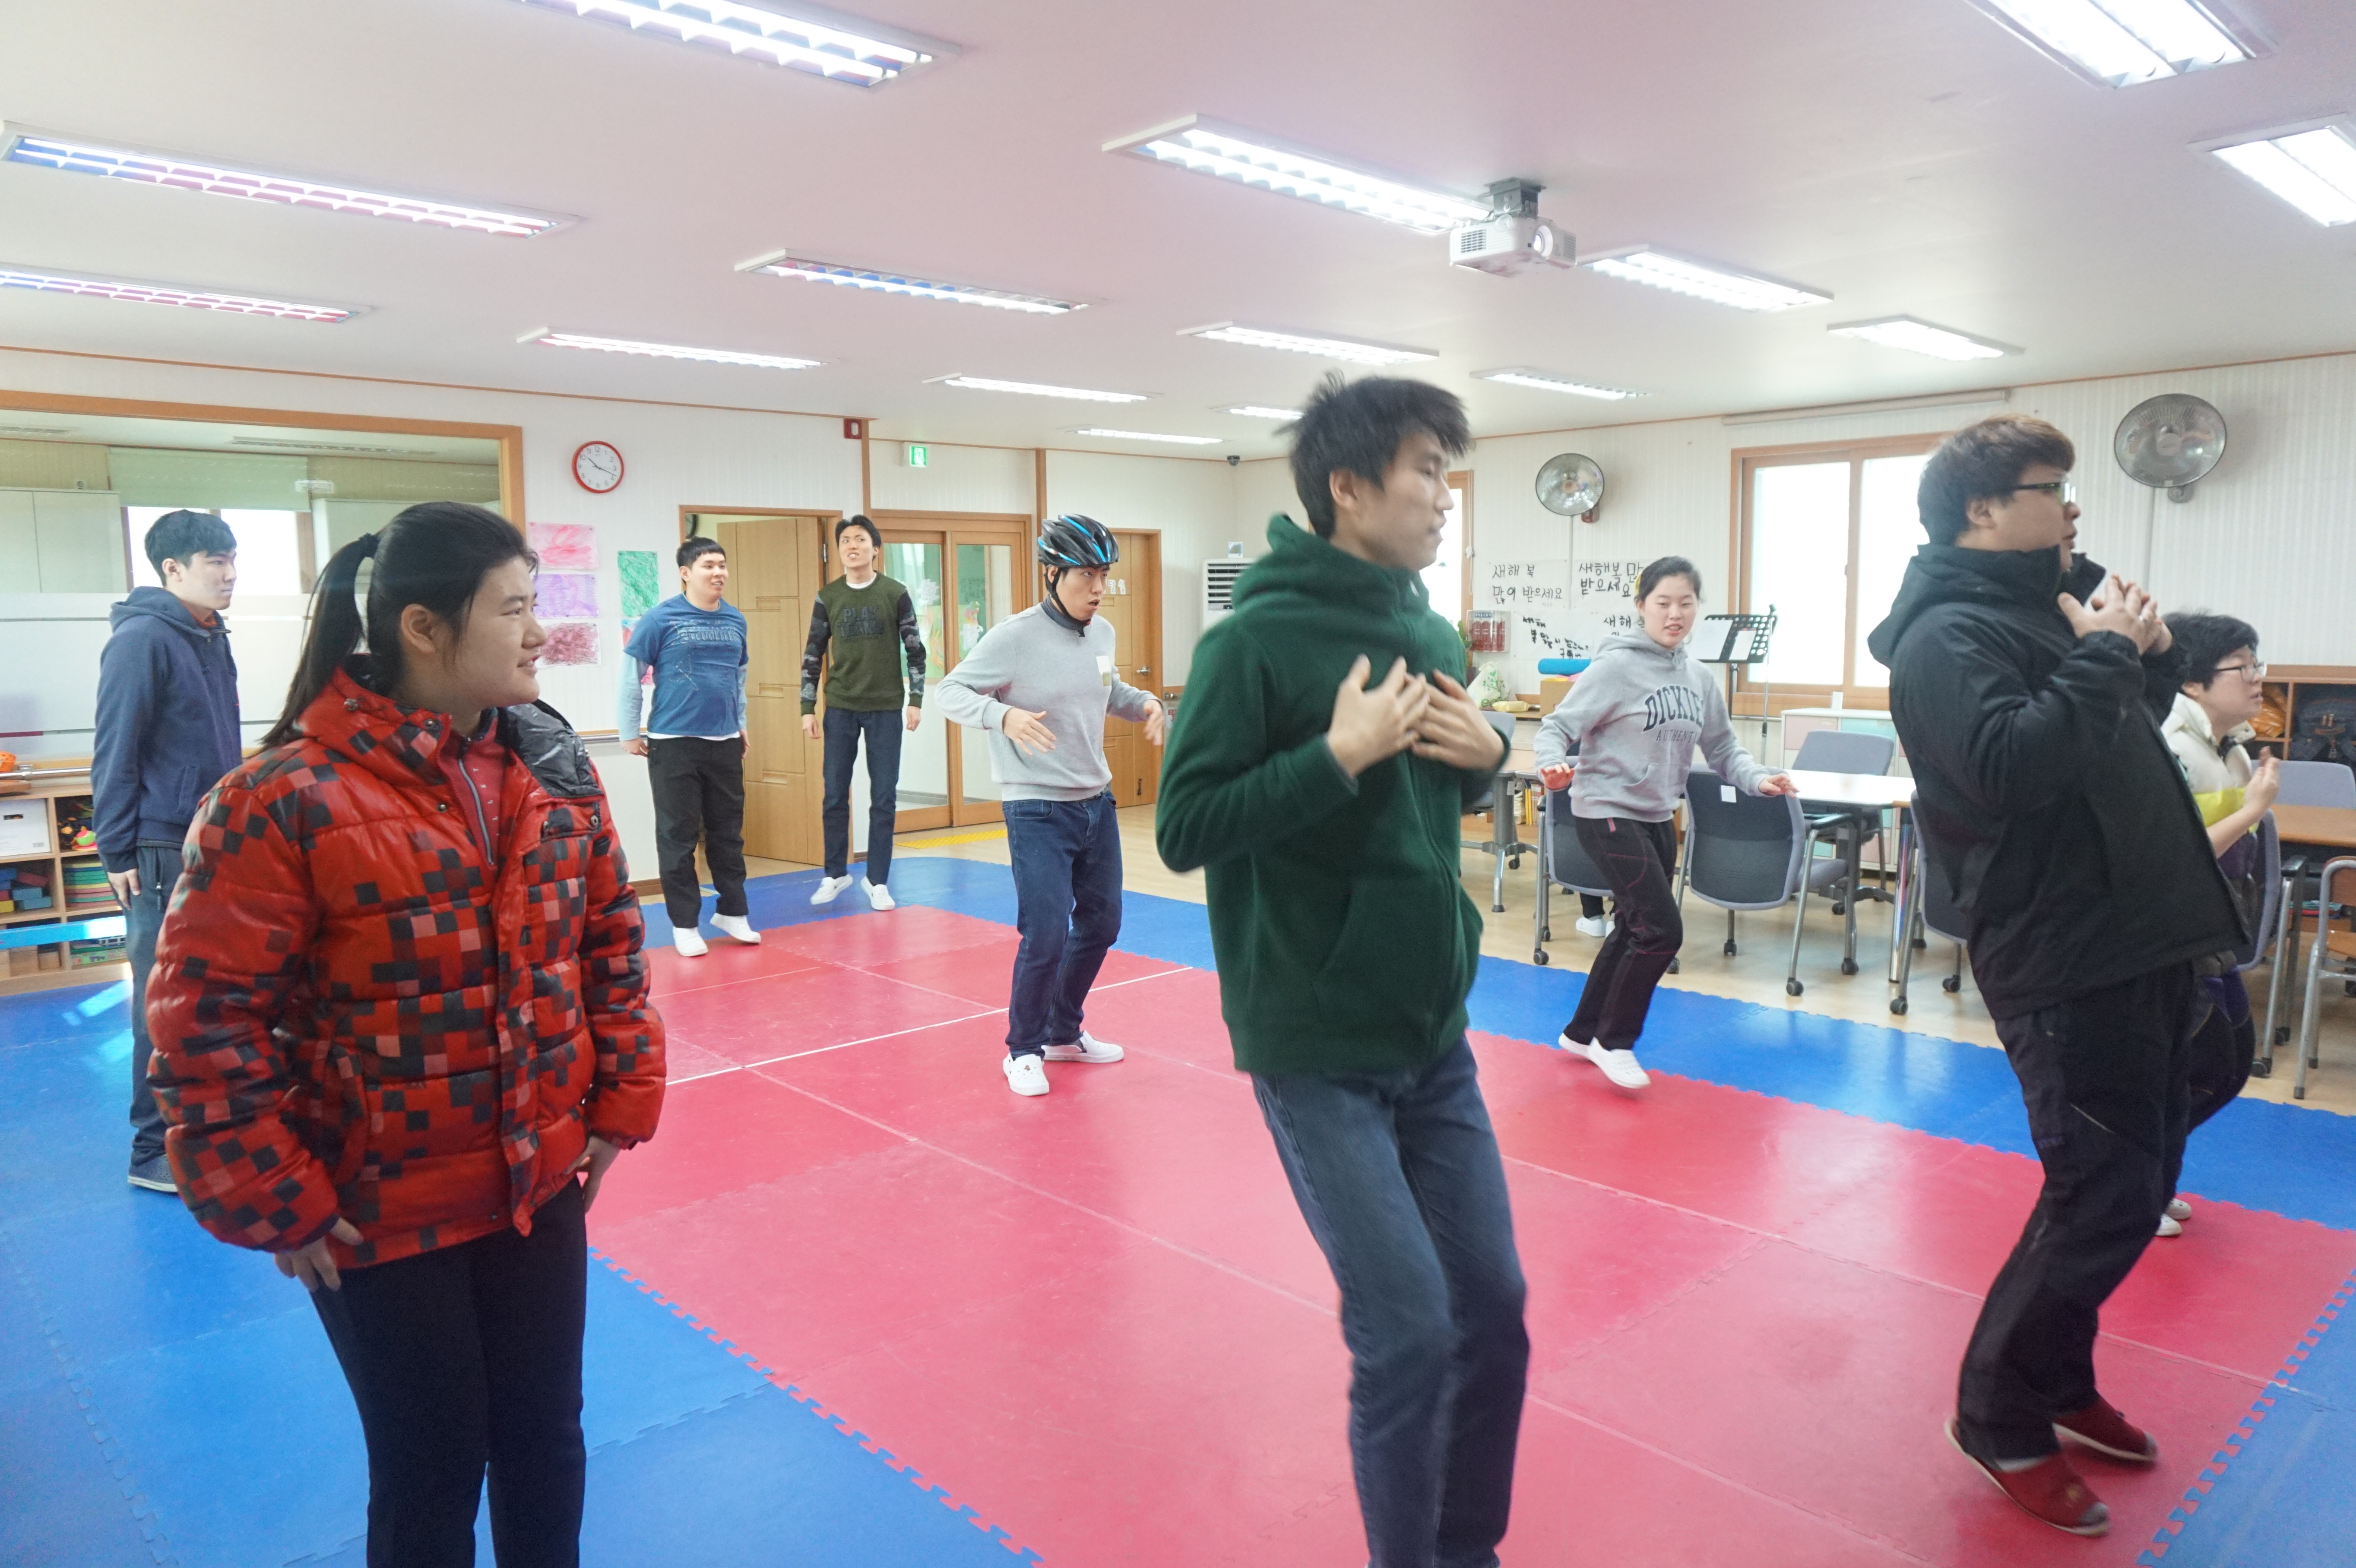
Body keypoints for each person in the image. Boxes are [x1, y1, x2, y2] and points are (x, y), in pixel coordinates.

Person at [146, 501, 665, 1567]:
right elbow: (207, 1016)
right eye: (513, 610)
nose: (540, 633)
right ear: (424, 628)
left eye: (537, 606)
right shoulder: (281, 798)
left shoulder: (555, 769)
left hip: (536, 1184)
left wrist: (616, 1101)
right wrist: (273, 1192)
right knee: (432, 1466)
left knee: (546, 1440)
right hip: (376, 1213)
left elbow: (611, 940)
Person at [1156, 375, 1528, 1568]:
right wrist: (1334, 753)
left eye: (1448, 475)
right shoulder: (1249, 644)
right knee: (1407, 1330)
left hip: (1433, 1034)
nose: (1443, 497)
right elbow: (1184, 827)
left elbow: (1434, 800)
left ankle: (1467, 1549)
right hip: (1317, 1039)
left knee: (1495, 1312)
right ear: (1349, 488)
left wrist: (1488, 756)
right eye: (1424, 471)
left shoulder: (1429, 633)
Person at [1865, 415, 2243, 1537]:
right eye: (2051, 488)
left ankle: (2059, 1378)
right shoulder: (1945, 638)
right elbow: (2010, 769)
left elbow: (2104, 737)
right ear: (1982, 511)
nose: (2073, 507)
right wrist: (2108, 655)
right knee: (2101, 1189)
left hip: (2140, 931)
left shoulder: (2050, 606)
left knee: (2145, 1171)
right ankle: (1998, 1412)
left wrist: (2145, 654)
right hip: (2065, 950)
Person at [1532, 558, 1795, 1090]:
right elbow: (1556, 726)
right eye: (1663, 603)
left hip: (1656, 815)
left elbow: (1723, 748)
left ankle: (1582, 1032)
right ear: (1641, 606)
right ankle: (1614, 1041)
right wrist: (1551, 764)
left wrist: (1757, 779)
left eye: (1685, 603)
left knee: (1633, 925)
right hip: (1605, 809)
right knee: (1661, 931)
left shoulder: (1699, 678)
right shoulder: (1614, 668)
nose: (1675, 614)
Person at [931, 515, 1164, 1097]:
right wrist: (1001, 715)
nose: (1098, 588)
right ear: (1052, 574)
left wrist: (1146, 704)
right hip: (1036, 807)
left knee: (1103, 924)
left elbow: (1107, 691)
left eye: (1103, 575)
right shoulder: (1013, 637)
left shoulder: (1102, 633)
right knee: (1045, 933)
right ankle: (1023, 1049)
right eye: (1086, 575)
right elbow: (949, 692)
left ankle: (1064, 1032)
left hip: (1096, 803)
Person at [92, 509, 243, 1193]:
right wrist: (117, 851)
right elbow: (116, 747)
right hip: (158, 846)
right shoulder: (143, 639)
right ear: (172, 569)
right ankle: (152, 1151)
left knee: (211, 995)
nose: (229, 574)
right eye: (215, 561)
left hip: (211, 839)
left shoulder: (209, 634)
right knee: (161, 999)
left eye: (232, 560)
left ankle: (201, 1133)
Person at [2155, 611, 2280, 1236]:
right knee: (2197, 1066)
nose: (2257, 678)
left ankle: (2149, 1177)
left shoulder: (2229, 746)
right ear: (2192, 683)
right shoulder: (2171, 746)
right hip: (2175, 934)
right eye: (2242, 667)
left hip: (2216, 926)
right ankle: (2139, 1185)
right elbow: (2178, 854)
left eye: (2257, 663)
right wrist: (2254, 807)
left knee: (2230, 1066)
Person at [618, 535, 755, 957]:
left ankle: (733, 911)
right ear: (685, 573)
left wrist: (741, 724)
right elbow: (630, 676)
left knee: (727, 834)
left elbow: (739, 679)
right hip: (673, 742)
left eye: (722, 565)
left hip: (724, 740)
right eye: (708, 566)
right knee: (678, 836)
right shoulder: (660, 618)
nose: (718, 573)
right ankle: (684, 923)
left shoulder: (735, 620)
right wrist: (628, 731)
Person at [798, 515, 926, 910]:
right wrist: (807, 707)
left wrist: (916, 700)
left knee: (884, 797)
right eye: (845, 541)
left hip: (885, 708)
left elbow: (915, 650)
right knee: (835, 794)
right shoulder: (829, 596)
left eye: (860, 540)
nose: (852, 546)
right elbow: (813, 653)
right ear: (839, 551)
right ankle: (835, 874)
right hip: (840, 706)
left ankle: (878, 880)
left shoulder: (895, 593)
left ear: (876, 549)